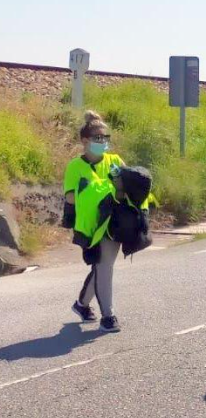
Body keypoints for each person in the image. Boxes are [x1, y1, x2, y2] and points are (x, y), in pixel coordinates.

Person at [63, 111, 126, 332]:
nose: (103, 142)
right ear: (85, 141)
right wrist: (100, 191)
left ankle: (82, 305)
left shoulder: (114, 161)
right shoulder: (75, 166)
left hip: (113, 222)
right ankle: (108, 316)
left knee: (104, 265)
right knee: (104, 265)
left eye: (105, 137)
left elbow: (125, 187)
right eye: (98, 138)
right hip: (91, 224)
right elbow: (71, 197)